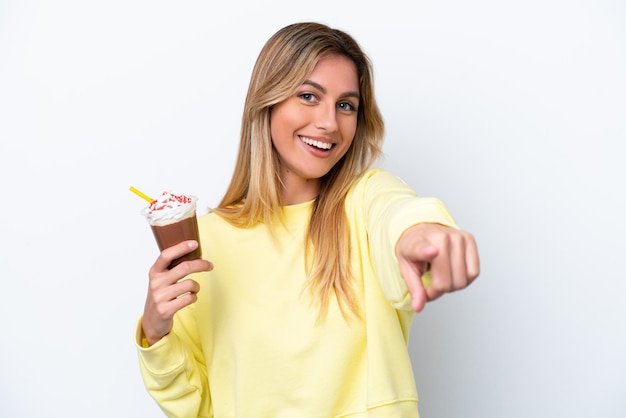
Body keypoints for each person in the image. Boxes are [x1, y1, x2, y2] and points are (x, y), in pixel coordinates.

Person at [135, 21, 480, 417]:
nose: (330, 123)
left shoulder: (364, 201)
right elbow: (195, 404)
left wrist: (422, 235)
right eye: (308, 96)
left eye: (346, 105)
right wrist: (155, 330)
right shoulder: (205, 241)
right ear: (267, 102)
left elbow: (397, 213)